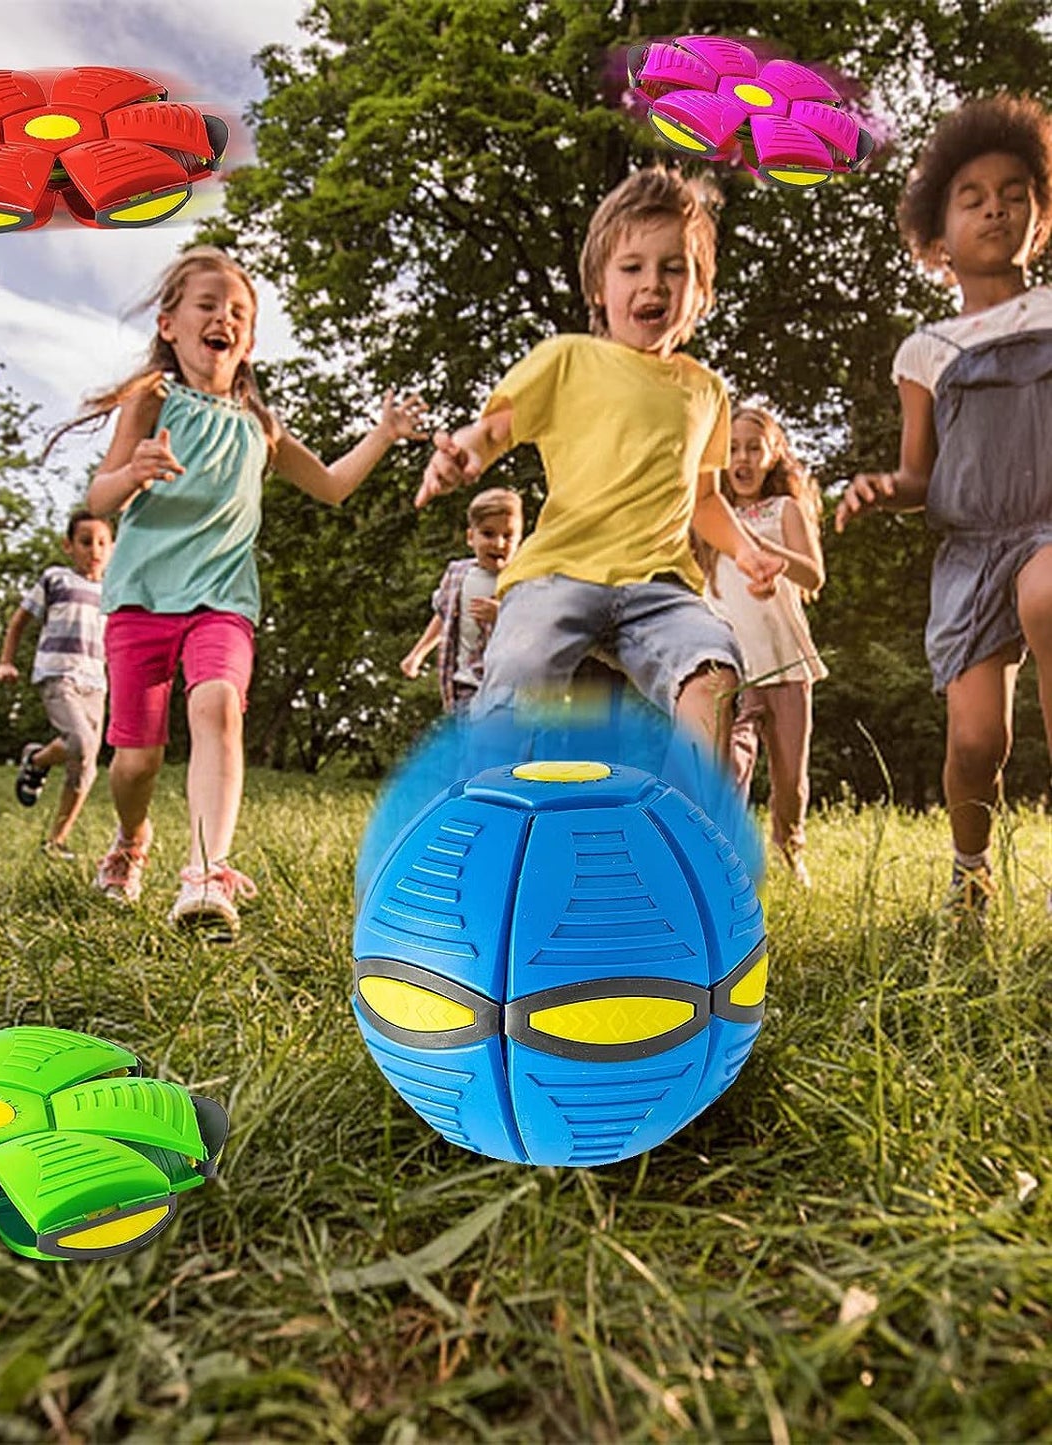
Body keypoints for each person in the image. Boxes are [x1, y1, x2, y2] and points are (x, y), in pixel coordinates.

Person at [58, 246, 426, 938]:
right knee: (136, 760)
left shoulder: (260, 425)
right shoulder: (152, 399)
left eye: (238, 312)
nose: (222, 318)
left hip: (223, 599)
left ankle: (205, 871)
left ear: (249, 339)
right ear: (169, 324)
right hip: (140, 597)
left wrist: (382, 434)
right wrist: (133, 469)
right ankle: (130, 839)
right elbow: (98, 497)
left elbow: (333, 486)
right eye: (207, 305)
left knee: (219, 707)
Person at [417, 167, 783, 750]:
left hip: (660, 588)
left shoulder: (706, 390)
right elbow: (494, 429)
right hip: (559, 575)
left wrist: (746, 550)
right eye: (632, 268)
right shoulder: (569, 360)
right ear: (598, 285)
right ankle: (492, 810)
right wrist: (462, 454)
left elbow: (706, 500)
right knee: (522, 667)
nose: (653, 285)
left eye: (674, 268)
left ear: (701, 290)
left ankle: (689, 824)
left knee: (714, 673)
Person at [836, 94, 1052, 918]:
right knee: (976, 742)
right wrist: (879, 488)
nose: (994, 205)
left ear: (1038, 217)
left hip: (1044, 532)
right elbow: (918, 474)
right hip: (969, 547)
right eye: (972, 197)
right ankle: (970, 871)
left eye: (1012, 192)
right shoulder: (925, 349)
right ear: (936, 243)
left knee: (1046, 589)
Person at [695, 405, 827, 885]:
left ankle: (791, 849)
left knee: (791, 778)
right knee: (729, 761)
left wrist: (757, 545)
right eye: (732, 448)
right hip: (734, 663)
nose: (743, 457)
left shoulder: (783, 510)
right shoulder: (710, 517)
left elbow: (814, 573)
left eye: (754, 446)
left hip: (787, 662)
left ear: (774, 454)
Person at [0, 509, 112, 860]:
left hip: (96, 682)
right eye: (86, 541)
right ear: (68, 546)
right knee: (81, 741)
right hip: (57, 674)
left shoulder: (115, 590)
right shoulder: (56, 579)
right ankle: (38, 759)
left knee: (87, 763)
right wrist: (6, 661)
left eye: (103, 543)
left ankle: (56, 842)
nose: (95, 549)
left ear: (113, 548)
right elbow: (19, 622)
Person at [401, 487, 524, 711]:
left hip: (509, 690)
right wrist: (417, 654)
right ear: (471, 537)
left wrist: (503, 614)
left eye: (508, 536)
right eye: (488, 534)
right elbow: (443, 616)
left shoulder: (522, 580)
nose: (498, 544)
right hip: (465, 686)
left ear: (519, 540)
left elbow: (538, 626)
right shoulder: (458, 574)